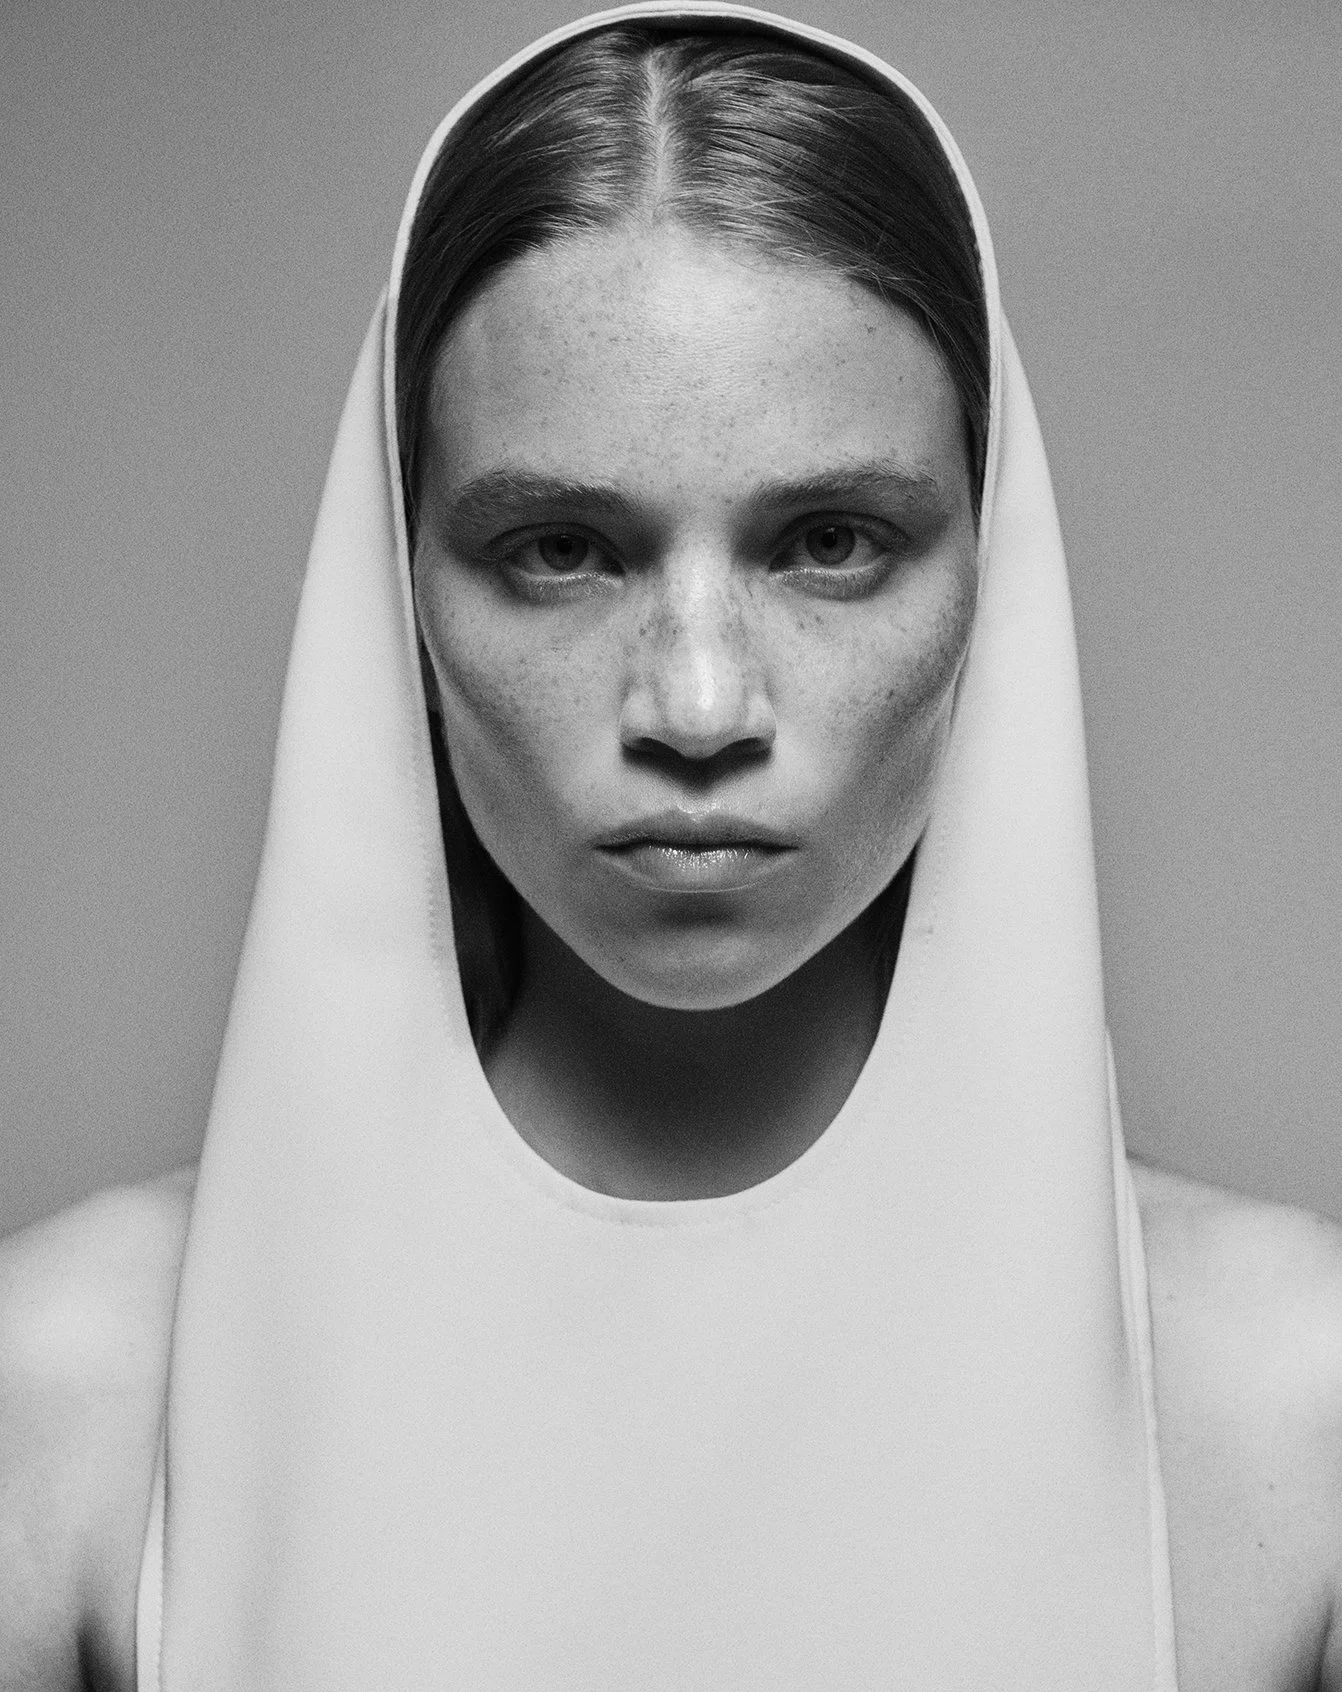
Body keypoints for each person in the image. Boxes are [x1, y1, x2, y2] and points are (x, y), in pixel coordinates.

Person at [3, 5, 1341, 1688]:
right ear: (393, 592)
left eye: (829, 541)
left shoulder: (1298, 1416)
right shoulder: (63, 1401)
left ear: (991, 578)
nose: (698, 701)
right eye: (559, 548)